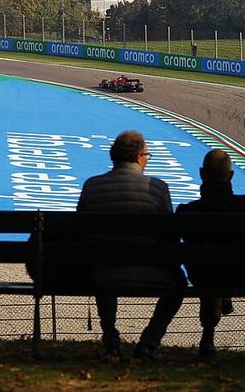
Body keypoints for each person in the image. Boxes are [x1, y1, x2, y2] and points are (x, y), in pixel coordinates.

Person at [76, 130, 186, 360]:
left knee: (102, 261)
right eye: (147, 154)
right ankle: (149, 341)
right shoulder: (158, 188)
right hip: (150, 272)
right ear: (138, 157)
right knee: (179, 283)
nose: (147, 158)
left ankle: (109, 337)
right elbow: (171, 240)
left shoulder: (92, 186)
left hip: (102, 275)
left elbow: (81, 234)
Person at [176, 149, 245, 358]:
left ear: (201, 173)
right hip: (243, 274)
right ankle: (223, 297)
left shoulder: (188, 211)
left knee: (208, 267)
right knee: (218, 264)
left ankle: (208, 336)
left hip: (202, 276)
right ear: (231, 176)